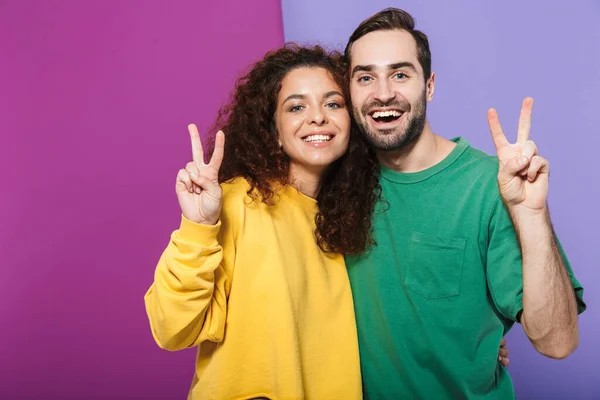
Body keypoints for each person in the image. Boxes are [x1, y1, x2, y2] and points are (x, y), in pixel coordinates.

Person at [343, 8, 587, 399]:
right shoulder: (337, 186)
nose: (383, 92)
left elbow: (558, 342)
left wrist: (533, 216)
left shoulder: (491, 187)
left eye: (401, 74)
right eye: (366, 77)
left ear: (430, 86)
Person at [144, 44, 381, 400]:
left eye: (333, 103)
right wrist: (198, 227)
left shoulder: (350, 219)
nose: (318, 117)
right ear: (273, 130)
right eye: (296, 106)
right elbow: (172, 328)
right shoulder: (236, 202)